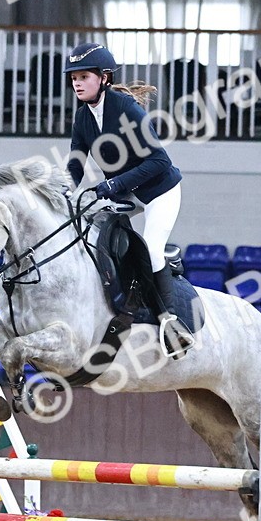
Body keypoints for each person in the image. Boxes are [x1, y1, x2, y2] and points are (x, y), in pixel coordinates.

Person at [63, 42, 193, 358]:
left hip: (160, 191)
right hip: (126, 193)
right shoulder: (83, 117)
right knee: (95, 234)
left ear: (103, 78)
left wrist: (114, 183)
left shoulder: (127, 110)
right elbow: (76, 163)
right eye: (74, 77)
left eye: (83, 76)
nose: (77, 83)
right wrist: (62, 191)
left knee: (149, 246)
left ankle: (171, 323)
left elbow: (159, 161)